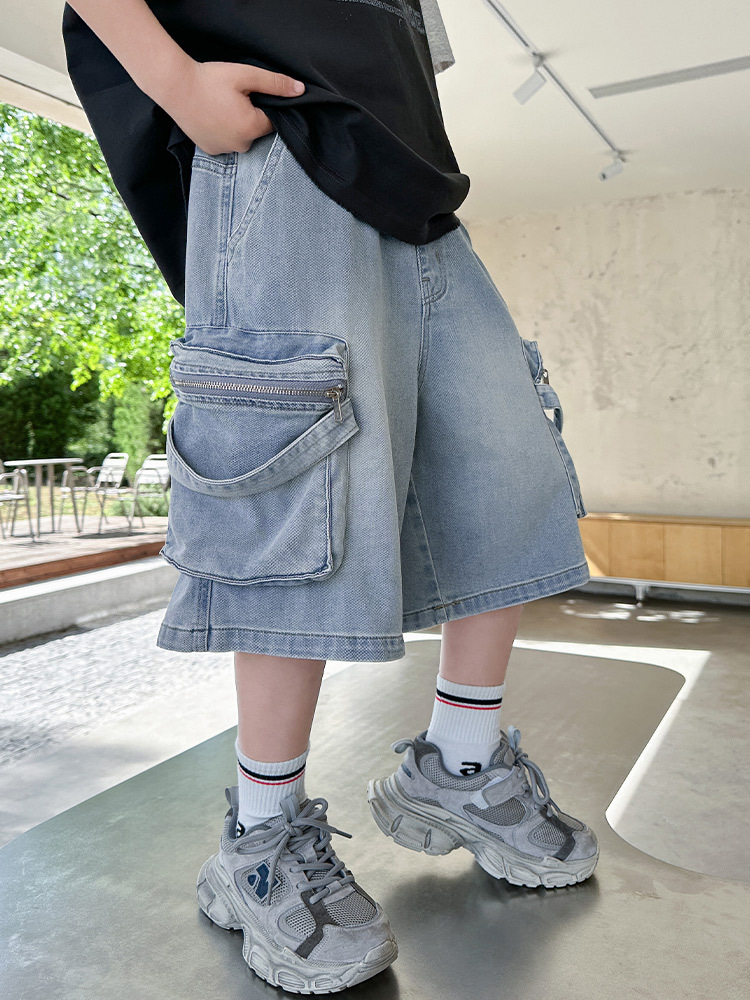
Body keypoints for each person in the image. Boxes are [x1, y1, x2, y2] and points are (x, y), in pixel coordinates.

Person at [62, 1, 598, 992]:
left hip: (414, 186)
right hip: (281, 147)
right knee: (297, 485)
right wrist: (176, 83)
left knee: (505, 462)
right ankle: (259, 840)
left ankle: (460, 765)